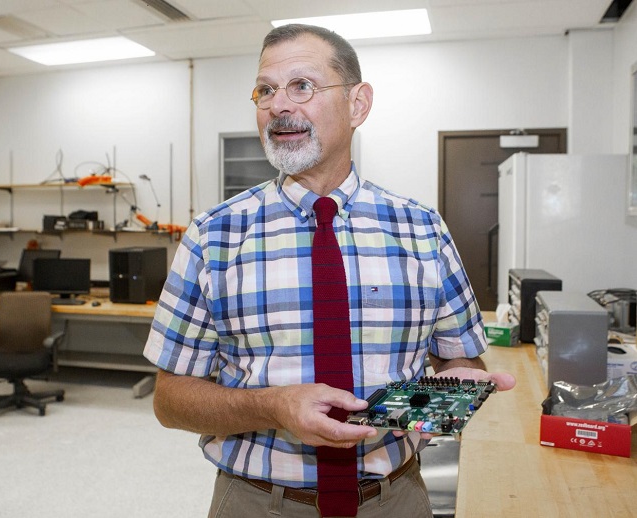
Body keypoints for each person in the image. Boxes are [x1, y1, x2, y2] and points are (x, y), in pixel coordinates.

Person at [144, 23, 516, 518]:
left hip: (394, 499)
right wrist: (272, 406)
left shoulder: (422, 228)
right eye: (265, 91)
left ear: (358, 104)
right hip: (256, 502)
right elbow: (170, 401)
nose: (278, 106)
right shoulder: (213, 236)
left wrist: (447, 402)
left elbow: (460, 365)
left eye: (302, 86)